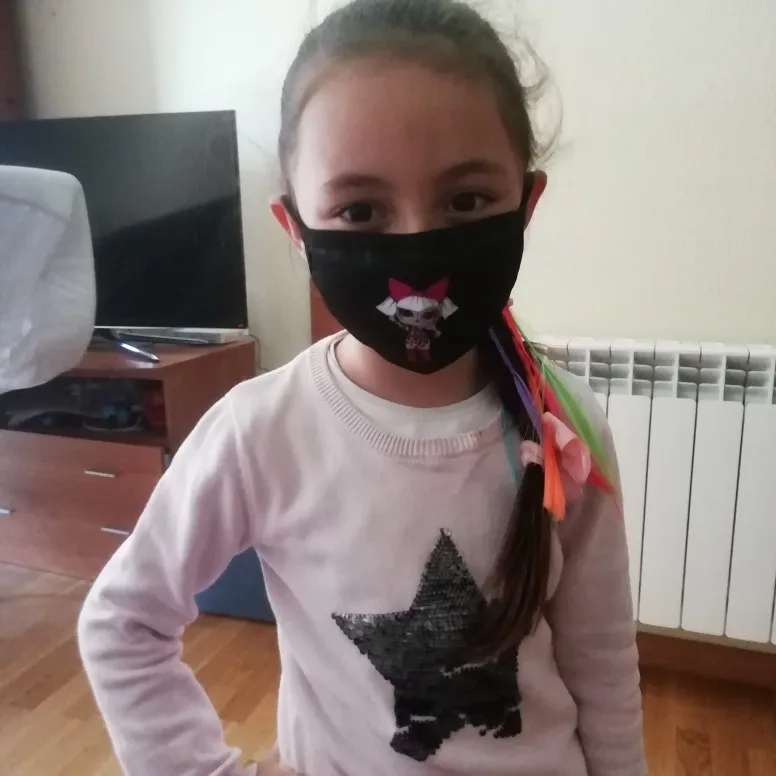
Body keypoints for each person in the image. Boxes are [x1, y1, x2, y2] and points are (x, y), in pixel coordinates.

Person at [77, 1, 646, 774]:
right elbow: (122, 622)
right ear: (296, 230)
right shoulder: (260, 431)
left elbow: (601, 660)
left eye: (465, 201)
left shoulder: (567, 425)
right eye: (360, 209)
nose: (415, 246)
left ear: (526, 203)